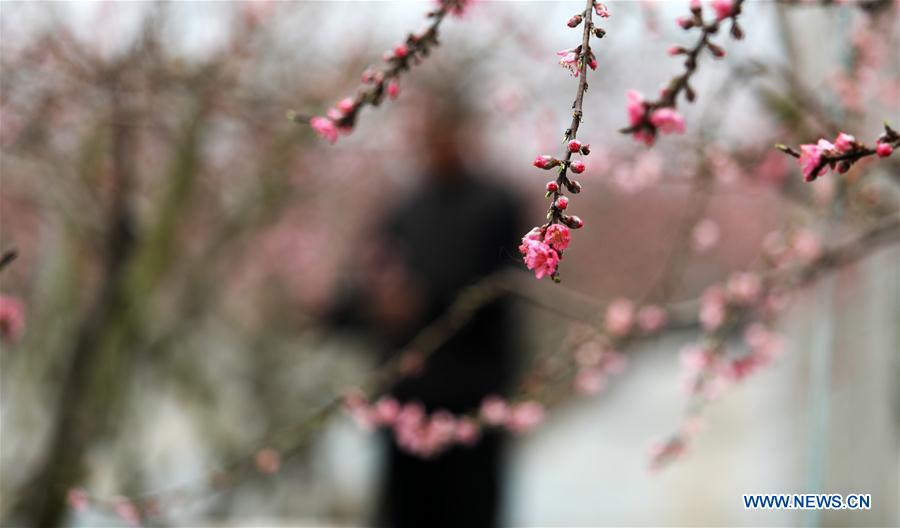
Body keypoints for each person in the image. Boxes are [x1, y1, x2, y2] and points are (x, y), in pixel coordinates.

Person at [327, 95, 523, 528]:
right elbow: (369, 281)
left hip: (471, 401)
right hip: (405, 402)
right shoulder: (404, 209)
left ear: (462, 135)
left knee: (469, 512)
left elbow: (498, 288)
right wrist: (335, 313)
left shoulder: (496, 205)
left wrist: (423, 304)